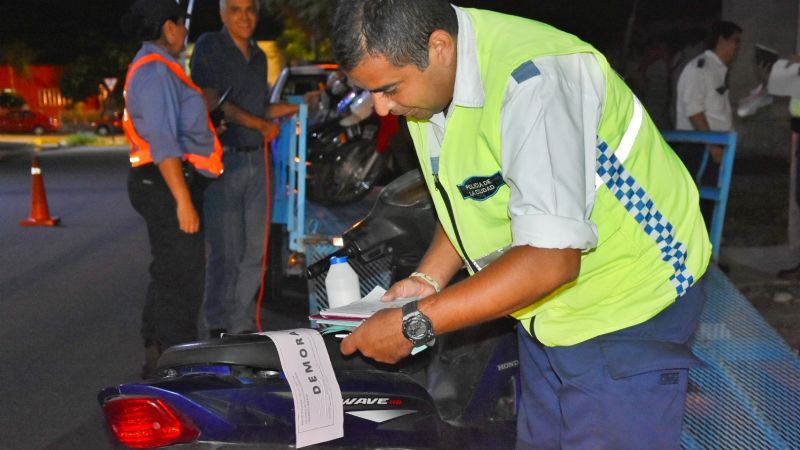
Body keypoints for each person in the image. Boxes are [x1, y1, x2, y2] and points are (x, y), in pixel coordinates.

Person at [331, 1, 712, 449]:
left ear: (439, 47)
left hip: (628, 304)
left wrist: (417, 323)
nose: (380, 108)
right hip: (543, 311)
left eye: (389, 89)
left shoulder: (536, 82)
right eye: (370, 92)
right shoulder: (428, 89)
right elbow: (472, 196)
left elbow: (552, 261)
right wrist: (428, 278)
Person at [120, 0, 224, 379]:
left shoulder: (161, 69)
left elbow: (176, 129)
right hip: (166, 182)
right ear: (169, 28)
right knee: (183, 276)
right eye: (181, 25)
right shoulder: (155, 72)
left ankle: (159, 353)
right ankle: (179, 365)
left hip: (165, 179)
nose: (184, 32)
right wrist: (183, 201)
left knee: (168, 270)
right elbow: (163, 141)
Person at [190, 0, 297, 336]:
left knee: (255, 252)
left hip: (257, 160)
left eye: (250, 9)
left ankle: (242, 326)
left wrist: (295, 108)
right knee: (227, 252)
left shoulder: (259, 56)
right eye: (235, 9)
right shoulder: (210, 45)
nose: (244, 16)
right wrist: (260, 124)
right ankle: (217, 325)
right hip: (225, 161)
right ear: (222, 15)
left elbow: (260, 107)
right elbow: (210, 100)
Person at [675, 21, 742, 168]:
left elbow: (715, 109)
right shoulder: (700, 69)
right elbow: (694, 111)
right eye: (735, 41)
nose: (738, 47)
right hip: (700, 147)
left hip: (715, 143)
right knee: (699, 189)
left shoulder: (717, 70)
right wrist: (712, 146)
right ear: (721, 40)